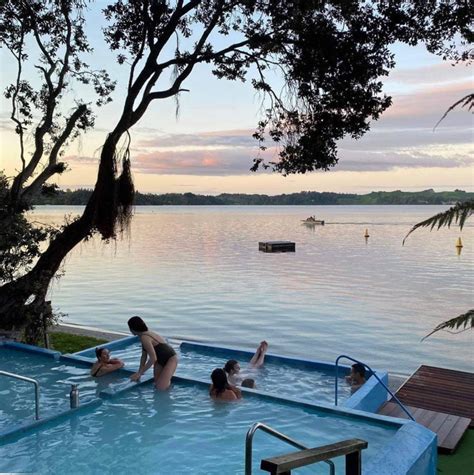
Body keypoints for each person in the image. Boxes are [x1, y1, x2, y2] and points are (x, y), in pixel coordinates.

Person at [127, 316, 178, 390]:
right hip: (159, 361)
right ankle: (168, 385)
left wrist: (140, 373)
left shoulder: (145, 337)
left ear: (133, 328)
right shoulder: (143, 336)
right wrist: (139, 372)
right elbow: (144, 356)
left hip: (171, 359)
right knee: (157, 384)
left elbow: (153, 358)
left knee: (161, 387)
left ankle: (170, 390)